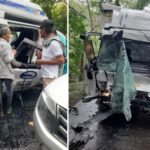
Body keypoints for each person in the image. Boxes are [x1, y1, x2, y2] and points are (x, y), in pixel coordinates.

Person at [35, 19, 65, 87]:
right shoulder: (48, 42)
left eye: (40, 30)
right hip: (47, 76)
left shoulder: (54, 43)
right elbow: (50, 56)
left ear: (44, 30)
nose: (40, 32)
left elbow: (61, 60)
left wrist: (42, 61)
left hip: (50, 77)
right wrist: (40, 55)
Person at [0, 26, 17, 116]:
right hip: (6, 72)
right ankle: (9, 108)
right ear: (4, 34)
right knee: (9, 91)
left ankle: (1, 112)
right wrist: (13, 53)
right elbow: (8, 59)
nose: (10, 35)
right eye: (9, 33)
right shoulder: (6, 45)